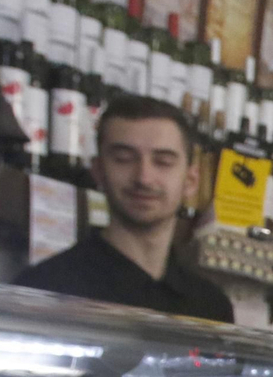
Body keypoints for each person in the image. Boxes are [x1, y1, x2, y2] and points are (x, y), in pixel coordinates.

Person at [14, 95, 233, 322]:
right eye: (124, 158)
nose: (144, 178)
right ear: (98, 171)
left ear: (191, 180)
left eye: (163, 162)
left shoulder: (211, 307)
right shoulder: (45, 290)